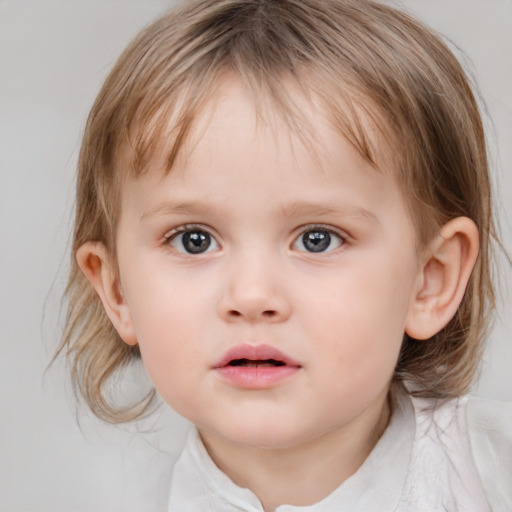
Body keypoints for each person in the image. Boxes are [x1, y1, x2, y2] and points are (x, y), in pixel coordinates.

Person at [55, 0, 512, 510]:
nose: (251, 296)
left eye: (318, 238)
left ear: (430, 279)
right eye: (194, 239)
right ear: (117, 291)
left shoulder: (488, 474)